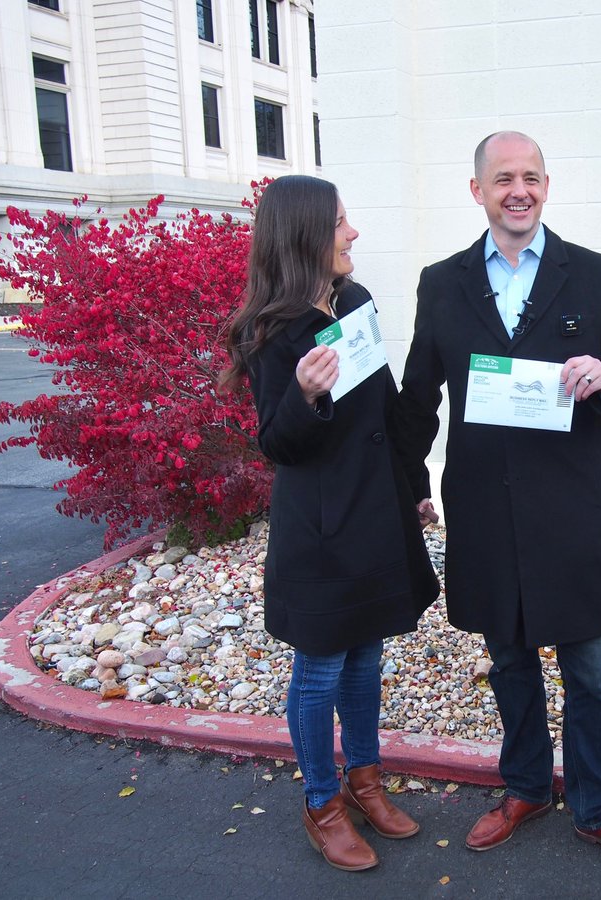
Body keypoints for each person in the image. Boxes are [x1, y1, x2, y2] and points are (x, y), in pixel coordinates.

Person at [394, 132, 601, 875]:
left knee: (591, 673)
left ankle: (598, 809)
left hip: (570, 510)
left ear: (547, 186)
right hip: (483, 508)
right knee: (509, 660)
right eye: (504, 179)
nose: (520, 190)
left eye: (532, 178)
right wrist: (409, 482)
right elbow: (419, 396)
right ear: (477, 190)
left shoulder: (596, 276)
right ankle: (523, 789)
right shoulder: (443, 282)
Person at [222, 174, 439, 872]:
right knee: (319, 671)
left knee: (368, 658)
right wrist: (306, 395)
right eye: (342, 223)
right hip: (320, 530)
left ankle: (365, 780)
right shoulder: (275, 332)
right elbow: (278, 446)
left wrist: (414, 486)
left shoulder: (355, 302)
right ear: (307, 235)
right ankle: (322, 803)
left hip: (375, 514)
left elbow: (381, 410)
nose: (354, 233)